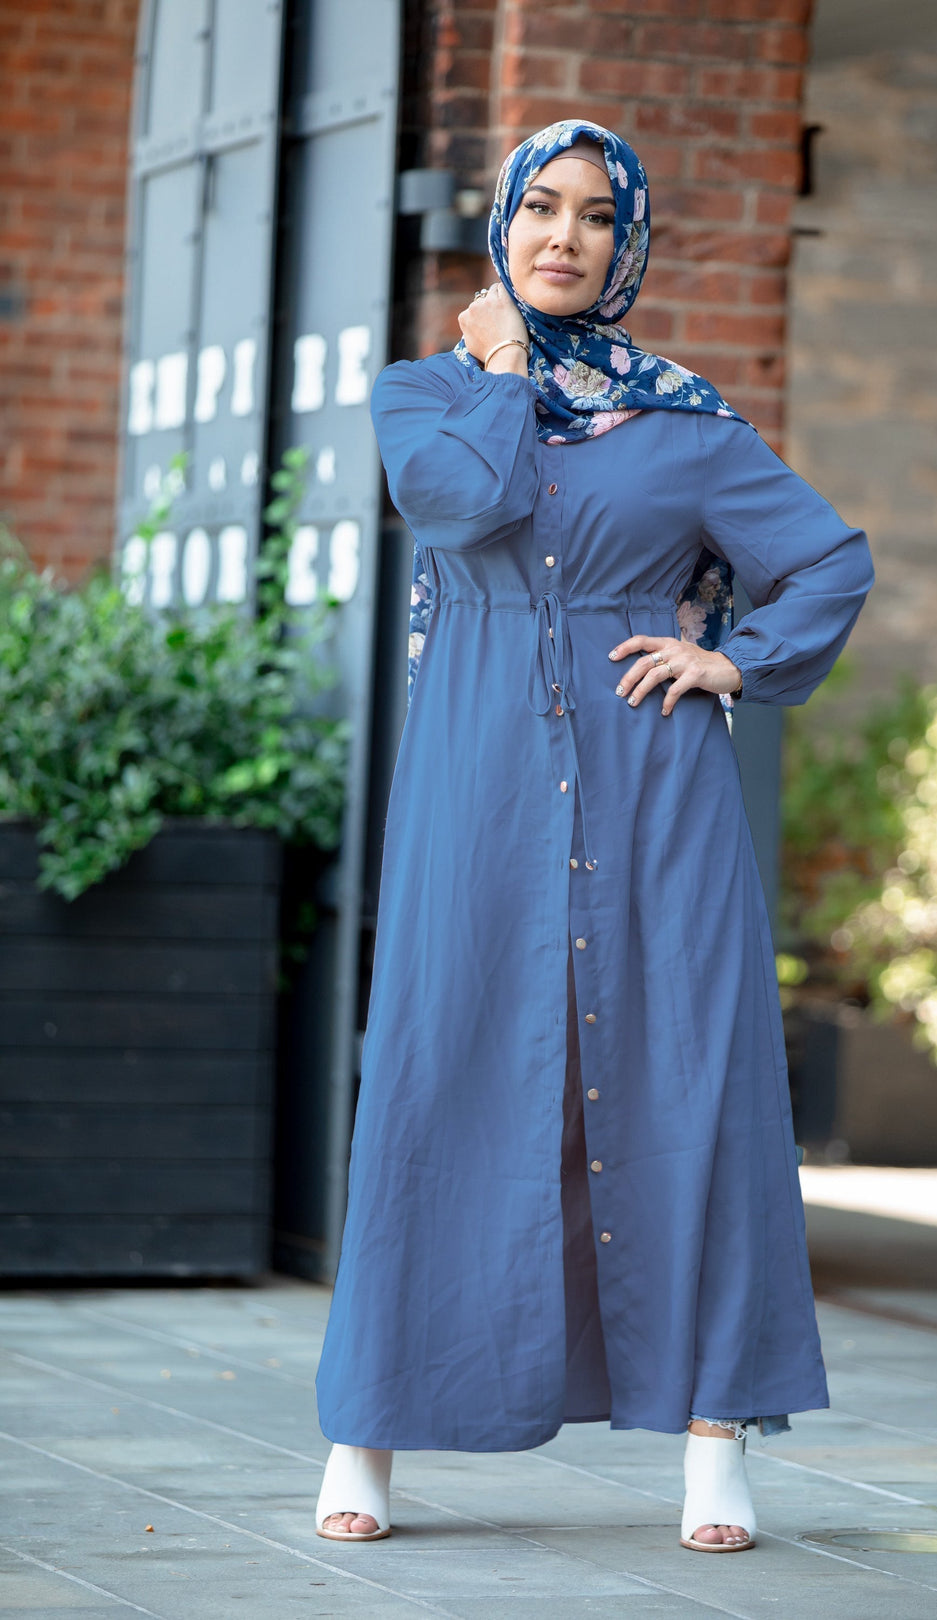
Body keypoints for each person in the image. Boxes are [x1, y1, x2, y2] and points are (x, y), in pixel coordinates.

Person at [313, 119, 874, 1555]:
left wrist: (729, 660)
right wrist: (504, 364)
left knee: (690, 1082)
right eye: (540, 209)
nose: (566, 236)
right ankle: (367, 1429)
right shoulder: (424, 395)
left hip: (656, 795)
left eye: (596, 218)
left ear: (628, 245)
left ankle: (711, 1447)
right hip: (477, 794)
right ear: (500, 226)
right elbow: (469, 499)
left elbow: (827, 557)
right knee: (444, 1070)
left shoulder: (683, 421)